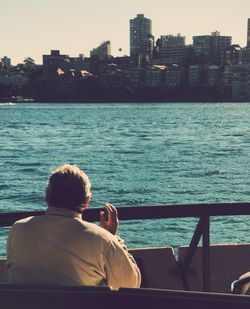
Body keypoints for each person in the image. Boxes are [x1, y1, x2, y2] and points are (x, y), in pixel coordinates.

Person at [6, 164, 141, 290]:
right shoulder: (101, 239)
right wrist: (113, 238)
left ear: (47, 196)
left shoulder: (18, 229)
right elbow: (131, 284)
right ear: (87, 201)